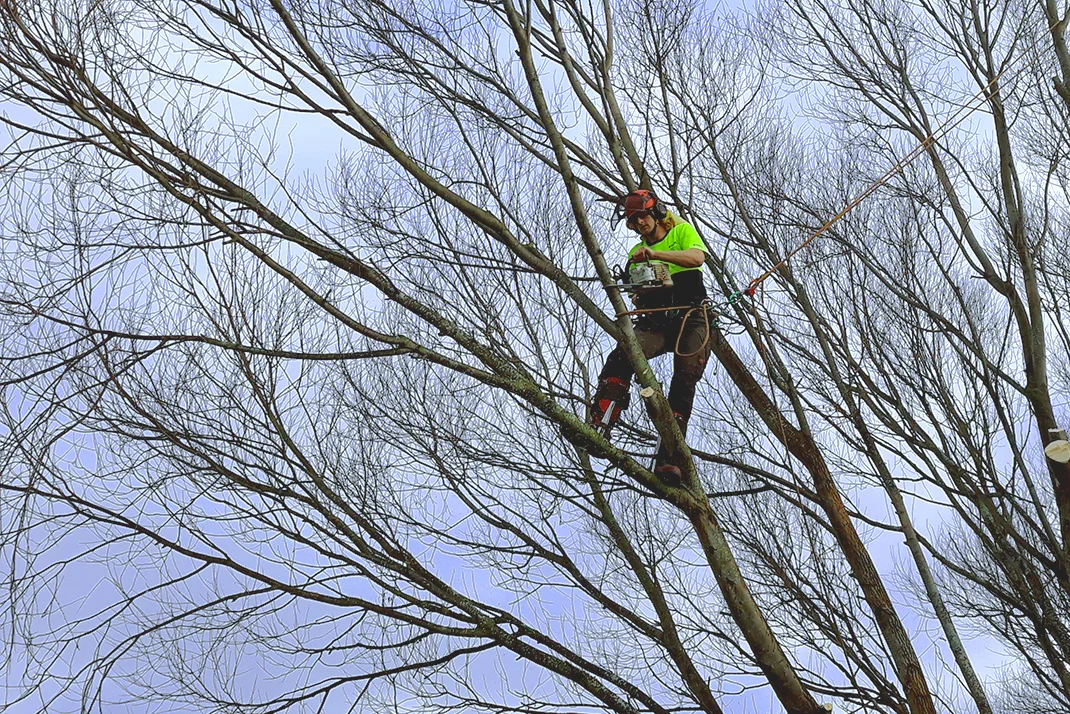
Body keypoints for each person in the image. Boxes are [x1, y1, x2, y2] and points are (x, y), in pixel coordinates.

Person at [590, 189, 712, 481]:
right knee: (624, 354)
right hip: (657, 321)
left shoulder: (681, 231)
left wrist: (657, 254)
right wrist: (639, 289)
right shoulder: (636, 254)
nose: (639, 224)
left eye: (641, 217)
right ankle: (601, 421)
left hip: (691, 317)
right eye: (633, 221)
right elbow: (635, 291)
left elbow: (697, 258)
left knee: (685, 377)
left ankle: (670, 456)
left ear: (655, 213)